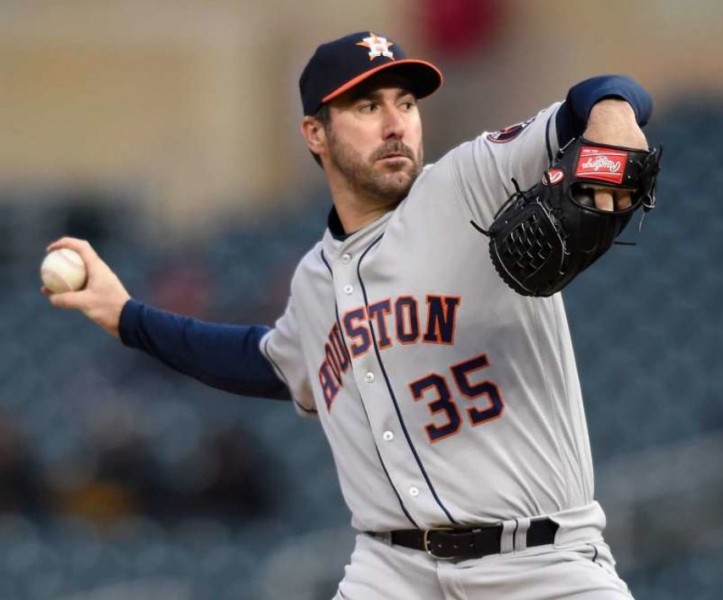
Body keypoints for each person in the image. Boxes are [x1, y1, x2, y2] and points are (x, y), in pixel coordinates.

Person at [45, 31, 654, 599]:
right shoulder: (315, 279)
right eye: (367, 108)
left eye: (405, 103)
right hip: (392, 572)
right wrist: (124, 315)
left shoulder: (469, 181)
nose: (395, 125)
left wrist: (613, 117)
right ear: (315, 133)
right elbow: (262, 364)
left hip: (540, 563)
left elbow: (602, 94)